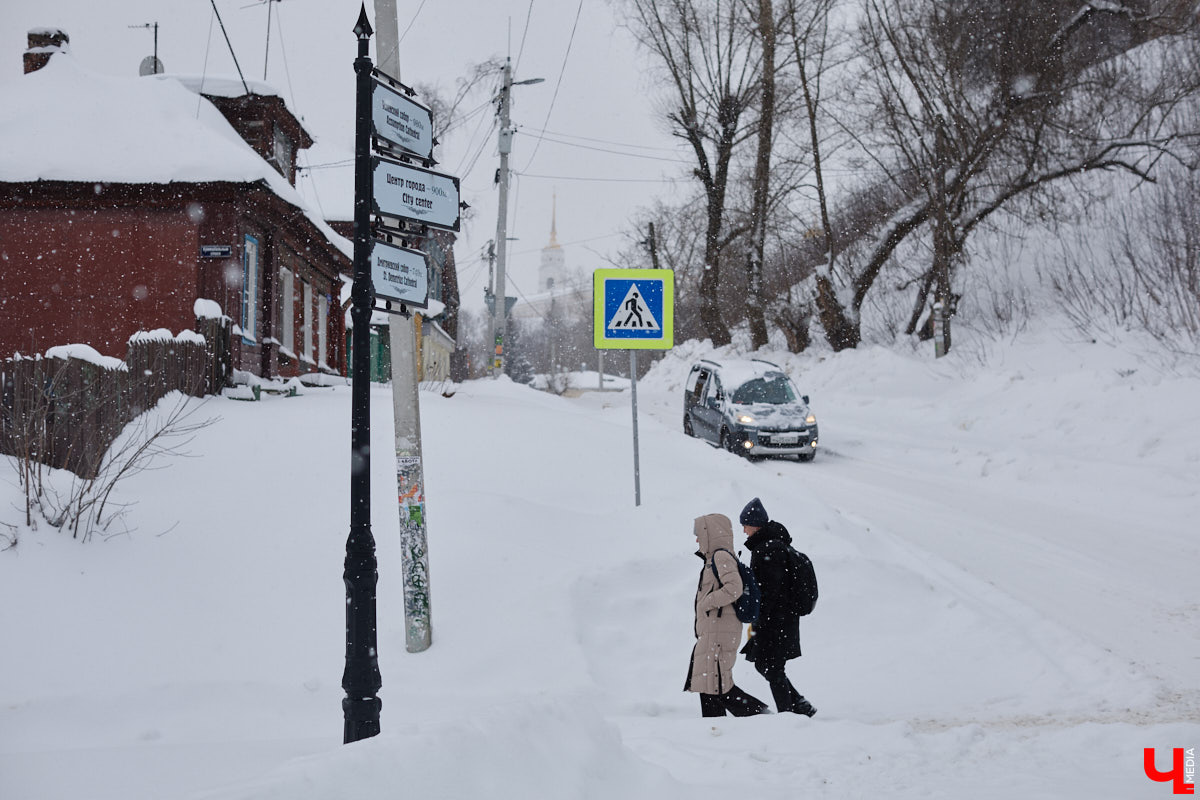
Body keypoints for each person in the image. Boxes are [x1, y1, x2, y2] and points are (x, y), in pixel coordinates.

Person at [684, 512, 769, 718]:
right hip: (715, 631)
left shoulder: (721, 556)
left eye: (699, 534)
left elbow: (734, 588)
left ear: (709, 533)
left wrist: (707, 602)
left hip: (719, 632)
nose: (696, 539)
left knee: (717, 686)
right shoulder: (714, 558)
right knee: (709, 685)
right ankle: (717, 731)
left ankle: (762, 717)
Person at [738, 497, 817, 717]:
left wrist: (758, 617)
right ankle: (799, 705)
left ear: (755, 524)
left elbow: (769, 592)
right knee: (766, 665)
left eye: (745, 524)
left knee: (772, 668)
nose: (744, 530)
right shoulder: (774, 545)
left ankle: (788, 716)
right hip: (781, 620)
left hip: (776, 622)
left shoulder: (767, 550)